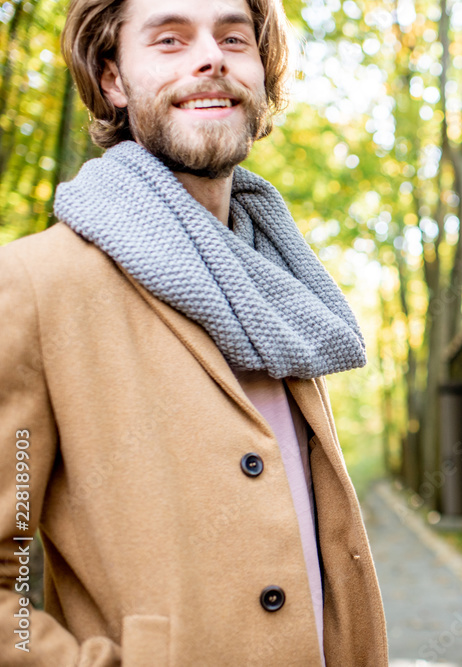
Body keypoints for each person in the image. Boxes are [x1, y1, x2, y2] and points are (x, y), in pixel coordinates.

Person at [0, 0, 387, 663]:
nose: (211, 57)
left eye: (233, 38)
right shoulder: (36, 285)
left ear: (260, 76)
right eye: (171, 39)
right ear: (114, 79)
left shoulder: (282, 285)